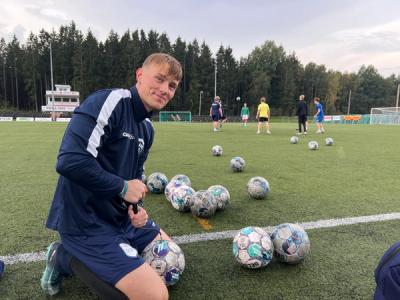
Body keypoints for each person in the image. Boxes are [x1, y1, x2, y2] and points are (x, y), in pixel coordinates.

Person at [40, 53, 182, 300]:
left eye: (172, 86)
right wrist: (122, 187)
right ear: (140, 75)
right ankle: (63, 257)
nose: (164, 90)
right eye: (159, 79)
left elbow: (134, 178)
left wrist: (136, 209)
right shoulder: (110, 101)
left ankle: (120, 252)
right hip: (85, 221)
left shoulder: (147, 129)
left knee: (173, 258)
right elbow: (70, 160)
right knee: (155, 296)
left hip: (119, 218)